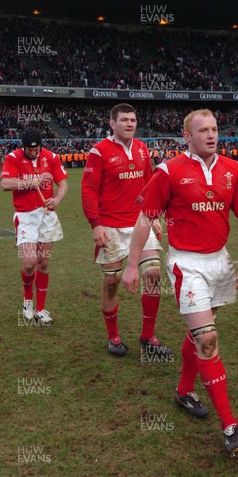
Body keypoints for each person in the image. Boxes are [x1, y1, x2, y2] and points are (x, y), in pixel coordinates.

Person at [123, 109, 238, 455]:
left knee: (199, 335)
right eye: (203, 130)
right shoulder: (169, 171)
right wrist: (133, 265)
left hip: (220, 262)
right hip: (187, 264)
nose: (212, 135)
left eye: (215, 129)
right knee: (208, 338)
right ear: (187, 136)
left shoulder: (234, 169)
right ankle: (230, 426)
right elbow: (145, 218)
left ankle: (184, 390)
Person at [81, 103, 171, 358]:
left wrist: (153, 216)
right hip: (109, 226)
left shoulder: (143, 149)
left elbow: (148, 184)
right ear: (112, 123)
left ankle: (148, 336)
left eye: (133, 120)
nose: (130, 124)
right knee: (112, 282)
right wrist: (95, 224)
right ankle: (113, 336)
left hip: (139, 222)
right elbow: (88, 190)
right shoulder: (99, 152)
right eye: (124, 120)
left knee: (153, 274)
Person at [0, 128, 68, 325]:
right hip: (25, 216)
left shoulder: (51, 157)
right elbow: (5, 183)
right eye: (29, 150)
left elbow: (63, 184)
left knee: (43, 263)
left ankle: (41, 309)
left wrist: (56, 199)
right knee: (29, 262)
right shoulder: (13, 158)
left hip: (46, 216)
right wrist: (33, 181)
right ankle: (27, 300)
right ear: (23, 147)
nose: (33, 153)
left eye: (36, 149)